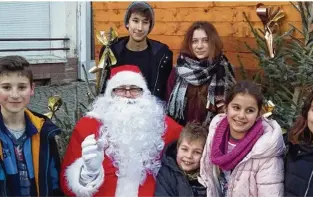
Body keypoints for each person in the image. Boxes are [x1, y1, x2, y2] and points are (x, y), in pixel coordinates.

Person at [60, 65, 182, 197]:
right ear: (110, 93)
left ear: (145, 93)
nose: (128, 95)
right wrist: (88, 173)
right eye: (121, 89)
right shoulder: (87, 126)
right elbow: (68, 184)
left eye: (135, 89)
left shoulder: (164, 126)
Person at [199, 80, 285, 197]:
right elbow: (207, 174)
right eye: (236, 107)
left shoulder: (266, 149)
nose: (241, 116)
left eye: (250, 110)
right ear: (226, 108)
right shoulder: (215, 133)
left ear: (258, 114)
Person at [0, 56, 63, 196]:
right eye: (6, 87)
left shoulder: (44, 131)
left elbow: (54, 181)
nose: (15, 95)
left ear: (32, 89)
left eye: (22, 87)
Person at [99, 1, 173, 101]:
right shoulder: (111, 52)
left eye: (145, 22)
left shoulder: (162, 55)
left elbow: (164, 92)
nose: (140, 28)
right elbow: (103, 90)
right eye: (135, 20)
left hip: (150, 112)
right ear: (127, 23)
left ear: (150, 26)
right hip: (117, 111)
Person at [167, 21, 236, 126]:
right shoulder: (178, 72)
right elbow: (169, 107)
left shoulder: (224, 70)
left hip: (212, 133)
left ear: (213, 42)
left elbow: (230, 108)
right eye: (194, 41)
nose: (199, 46)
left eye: (205, 41)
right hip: (182, 134)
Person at [155, 121, 208, 197]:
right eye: (185, 149)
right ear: (177, 148)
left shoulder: (208, 177)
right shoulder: (166, 173)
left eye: (197, 152)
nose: (189, 156)